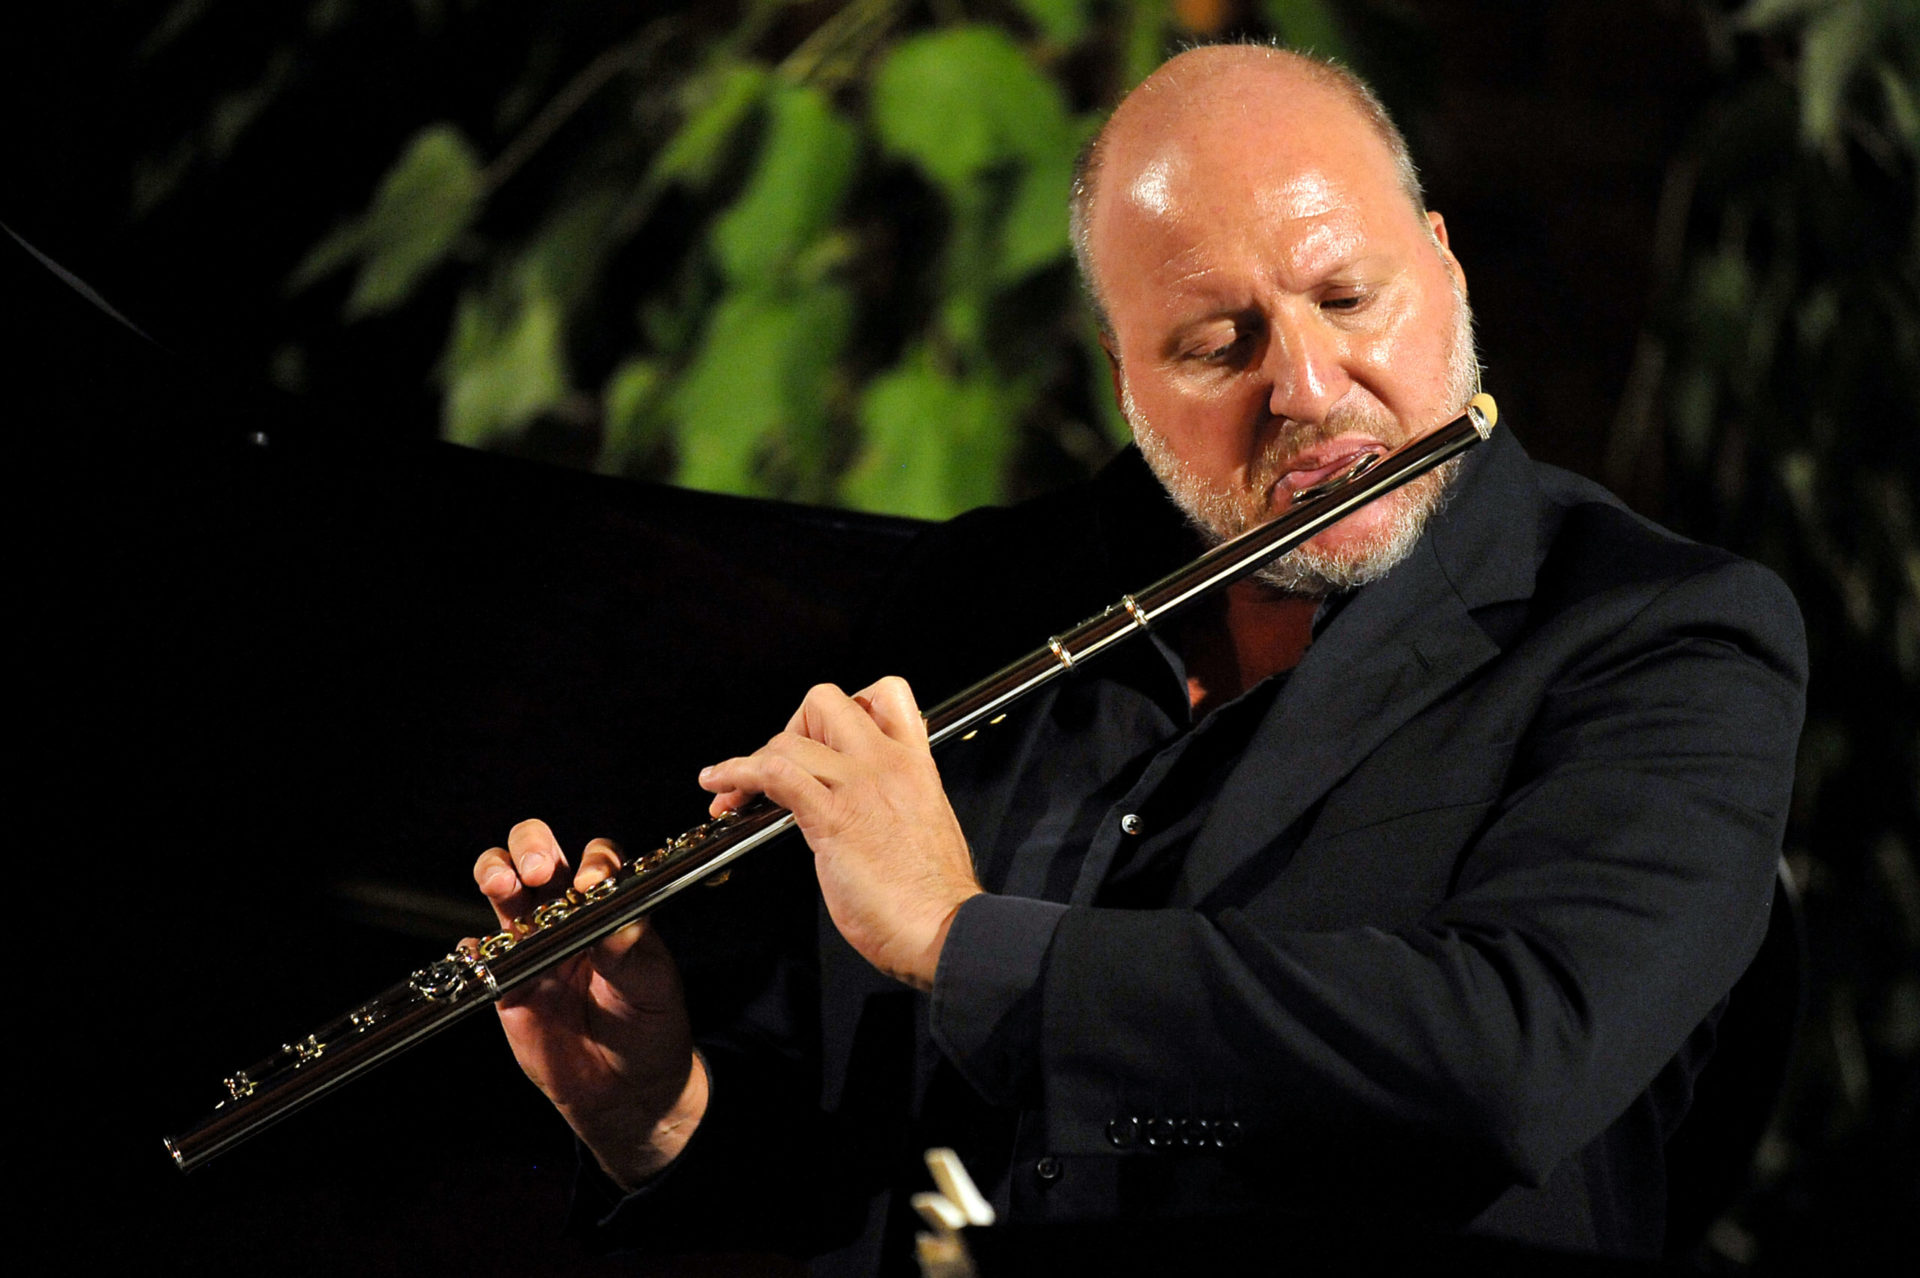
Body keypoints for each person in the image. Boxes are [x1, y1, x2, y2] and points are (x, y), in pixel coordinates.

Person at [471, 44, 1806, 1271]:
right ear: (1124, 373)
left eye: (1350, 295)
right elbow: (879, 1173)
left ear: (1445, 266)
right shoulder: (983, 601)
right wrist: (661, 1118)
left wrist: (966, 940)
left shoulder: (1659, 636)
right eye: (1217, 345)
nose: (1309, 383)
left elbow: (1508, 1060)